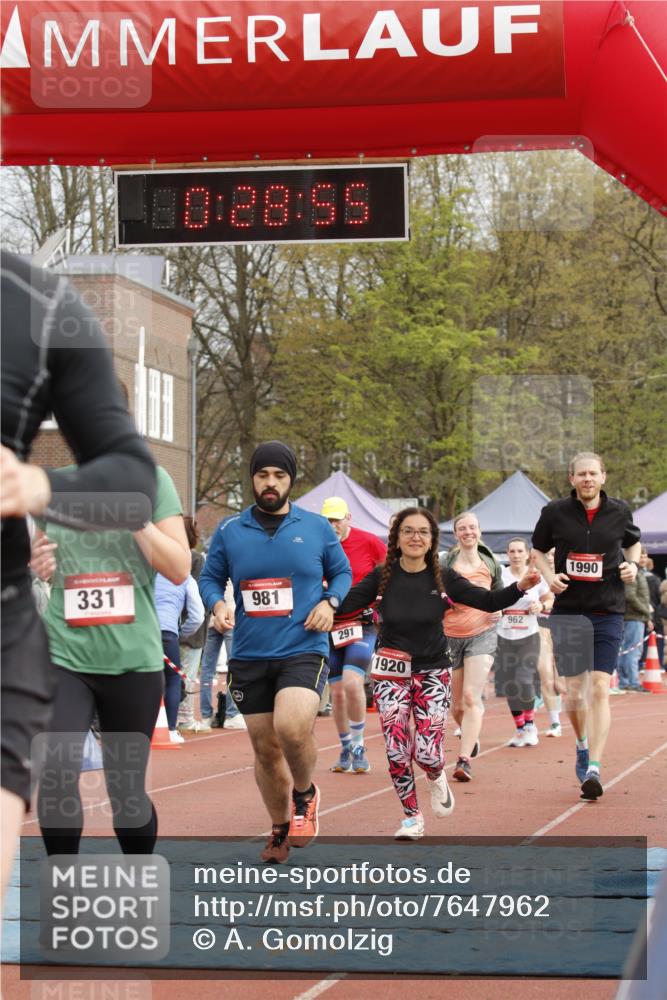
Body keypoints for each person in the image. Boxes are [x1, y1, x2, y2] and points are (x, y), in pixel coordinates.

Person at [1, 251, 156, 904]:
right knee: (60, 773)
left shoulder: (42, 306)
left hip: (112, 649)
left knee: (123, 791)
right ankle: (66, 895)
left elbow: (137, 493)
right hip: (65, 642)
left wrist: (36, 484)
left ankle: (129, 882)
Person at [336, 507, 540, 839]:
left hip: (432, 671)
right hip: (391, 673)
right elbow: (345, 605)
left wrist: (521, 586)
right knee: (397, 750)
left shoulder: (444, 576)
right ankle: (412, 817)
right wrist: (319, 598)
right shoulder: (380, 576)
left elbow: (488, 601)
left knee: (428, 753)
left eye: (423, 532)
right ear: (397, 538)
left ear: (432, 540)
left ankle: (435, 775)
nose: (415, 537)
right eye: (408, 531)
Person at [199, 441, 352, 863]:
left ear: (290, 481)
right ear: (252, 478)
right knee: (264, 748)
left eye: (279, 476)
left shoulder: (317, 527)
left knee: (290, 726)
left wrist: (330, 603)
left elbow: (341, 572)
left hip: (303, 645)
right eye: (263, 475)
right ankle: (280, 828)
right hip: (250, 652)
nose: (270, 483)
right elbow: (209, 578)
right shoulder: (230, 530)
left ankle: (305, 794)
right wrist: (217, 603)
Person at [34, 465, 190, 855]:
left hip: (132, 659)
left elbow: (178, 567)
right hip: (63, 655)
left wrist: (139, 522)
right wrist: (39, 564)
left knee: (125, 790)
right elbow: (38, 559)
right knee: (55, 772)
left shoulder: (152, 479)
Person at [532, 451, 641, 800]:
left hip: (608, 609)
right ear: (572, 479)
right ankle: (581, 744)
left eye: (593, 474)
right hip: (570, 610)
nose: (588, 480)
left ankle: (594, 766)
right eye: (581, 474)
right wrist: (550, 577)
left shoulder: (619, 511)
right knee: (575, 692)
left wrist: (633, 566)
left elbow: (633, 543)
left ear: (603, 477)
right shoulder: (555, 513)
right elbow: (537, 551)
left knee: (599, 688)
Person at [320, 496, 386, 774]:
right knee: (335, 693)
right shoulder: (318, 547)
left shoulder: (369, 541)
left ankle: (359, 744)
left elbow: (389, 574)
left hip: (362, 623)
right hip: (331, 626)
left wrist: (379, 606)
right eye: (328, 520)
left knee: (351, 683)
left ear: (348, 518)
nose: (333, 525)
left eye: (337, 519)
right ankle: (345, 746)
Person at [443, 511, 504, 782]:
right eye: (462, 528)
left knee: (471, 697)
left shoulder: (490, 562)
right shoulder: (446, 563)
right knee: (456, 706)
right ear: (456, 534)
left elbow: (499, 593)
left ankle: (464, 760)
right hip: (449, 637)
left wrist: (499, 608)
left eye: (472, 527)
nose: (468, 532)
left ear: (479, 531)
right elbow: (433, 593)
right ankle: (470, 734)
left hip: (482, 634)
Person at [495, 538, 552, 747]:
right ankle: (519, 729)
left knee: (524, 679)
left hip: (529, 635)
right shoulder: (501, 574)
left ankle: (530, 725)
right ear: (507, 554)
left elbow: (549, 598)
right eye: (512, 551)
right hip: (504, 636)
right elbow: (491, 597)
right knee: (509, 684)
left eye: (520, 551)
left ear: (527, 553)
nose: (516, 555)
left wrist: (542, 605)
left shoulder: (535, 574)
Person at [155, 570, 206, 742]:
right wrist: (181, 634)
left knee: (140, 677)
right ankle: (170, 729)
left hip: (141, 632)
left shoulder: (144, 571)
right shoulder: (185, 577)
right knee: (173, 679)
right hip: (167, 632)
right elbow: (198, 616)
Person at [177, 517, 210, 731]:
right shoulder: (195, 560)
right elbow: (198, 595)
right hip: (192, 627)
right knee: (187, 674)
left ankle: (176, 715)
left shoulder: (162, 559)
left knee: (176, 675)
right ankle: (185, 718)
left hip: (173, 625)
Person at [617, 572, 652, 692]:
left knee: (625, 650)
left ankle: (625, 681)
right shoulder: (633, 571)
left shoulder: (635, 572)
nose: (643, 558)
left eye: (644, 556)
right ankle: (632, 682)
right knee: (633, 650)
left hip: (629, 616)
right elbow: (630, 595)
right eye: (641, 555)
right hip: (634, 616)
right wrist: (646, 611)